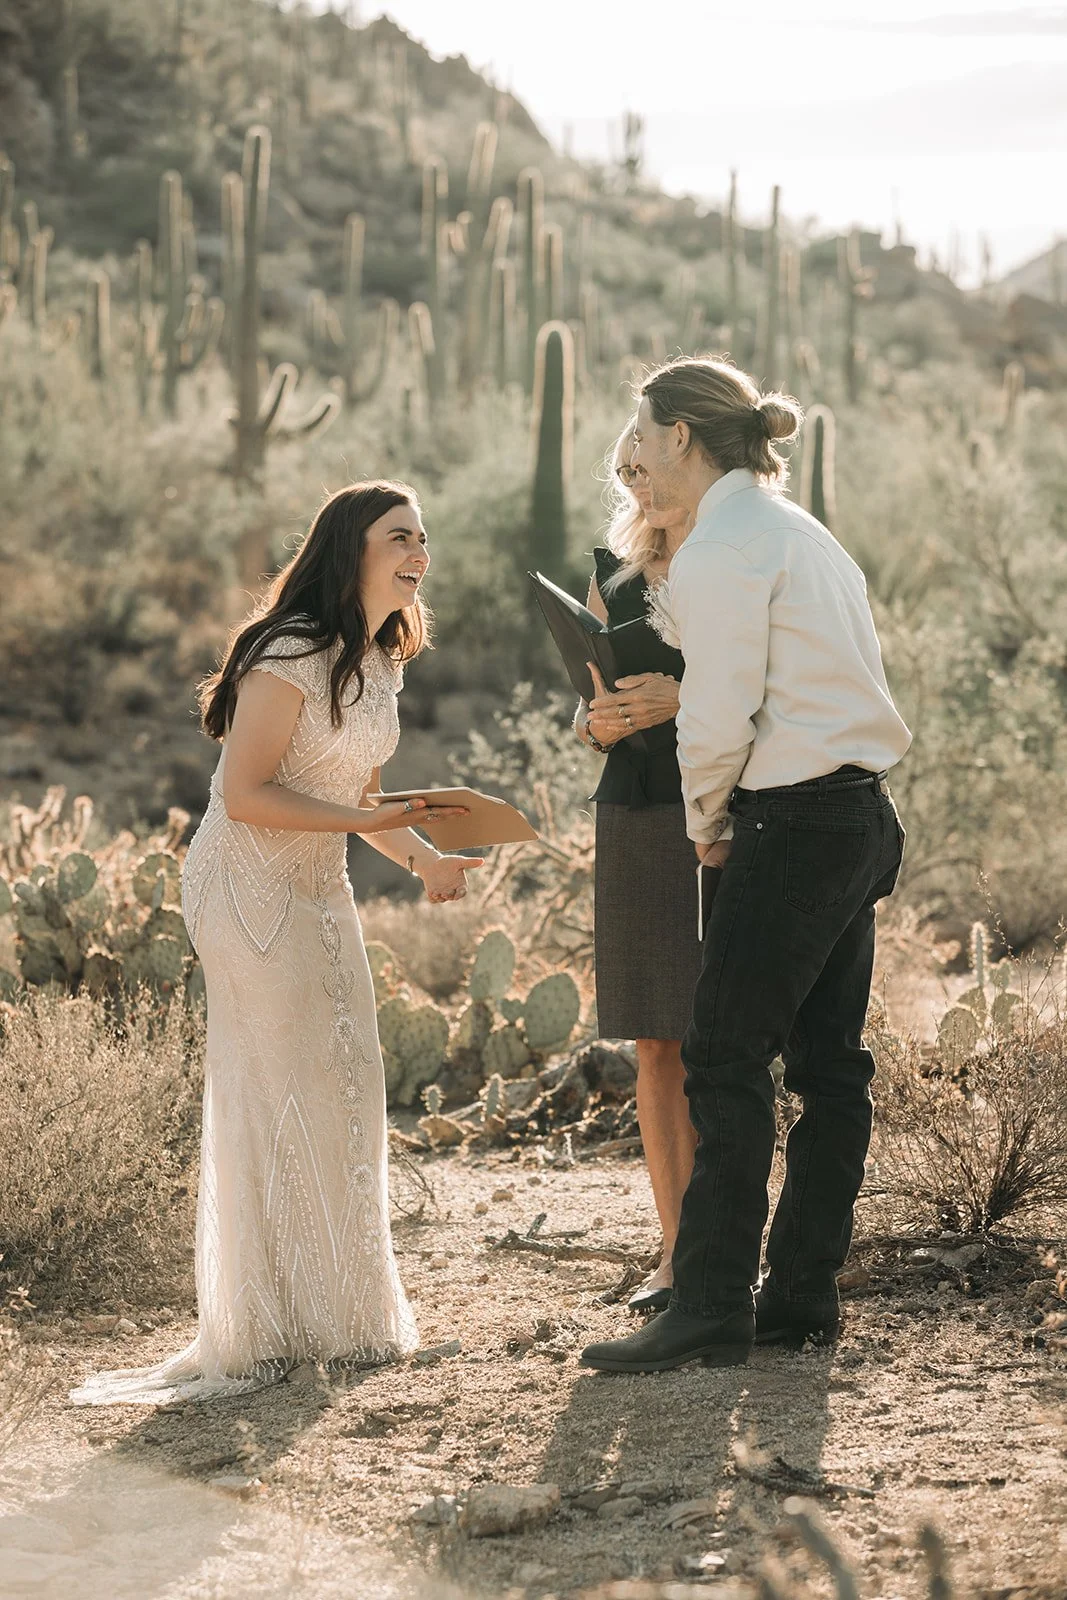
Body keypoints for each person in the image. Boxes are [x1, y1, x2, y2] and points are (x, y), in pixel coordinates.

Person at [71, 481, 482, 1406]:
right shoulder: (288, 653)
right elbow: (249, 793)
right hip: (243, 880)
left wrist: (423, 859)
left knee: (344, 1072)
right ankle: (258, 1326)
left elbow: (361, 793)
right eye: (398, 537)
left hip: (318, 878)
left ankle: (340, 1316)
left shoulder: (380, 661)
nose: (419, 552)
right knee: (275, 1080)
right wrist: (368, 821)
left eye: (424, 538)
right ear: (351, 549)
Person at [581, 358, 911, 1374]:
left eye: (644, 431)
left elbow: (717, 715)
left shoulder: (726, 544)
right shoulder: (795, 531)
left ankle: (713, 1301)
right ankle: (800, 1297)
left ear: (681, 434)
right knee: (826, 1069)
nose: (635, 451)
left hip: (791, 822)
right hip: (856, 814)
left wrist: (705, 823)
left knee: (722, 1058)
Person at [573, 422, 702, 1313]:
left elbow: (787, 688)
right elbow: (585, 710)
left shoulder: (742, 558)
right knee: (657, 1037)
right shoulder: (610, 580)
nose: (636, 484)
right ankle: (676, 1252)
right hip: (637, 812)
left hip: (742, 811)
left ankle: (741, 1247)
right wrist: (598, 725)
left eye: (645, 465)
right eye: (623, 472)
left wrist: (684, 699)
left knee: (729, 1044)